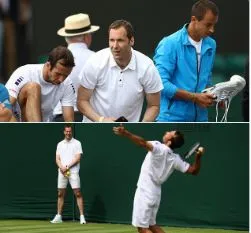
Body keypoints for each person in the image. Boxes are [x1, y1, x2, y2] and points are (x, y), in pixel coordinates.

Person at [113, 124, 204, 233]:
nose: (166, 131)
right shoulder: (176, 159)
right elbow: (194, 170)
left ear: (169, 142)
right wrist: (198, 157)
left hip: (145, 191)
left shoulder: (159, 147)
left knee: (142, 229)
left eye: (169, 133)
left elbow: (142, 143)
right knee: (152, 226)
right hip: (155, 193)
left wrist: (126, 133)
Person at [77, 19, 163, 122]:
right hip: (94, 130)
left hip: (127, 134)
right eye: (112, 40)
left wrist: (141, 127)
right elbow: (81, 101)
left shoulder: (147, 66)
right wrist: (101, 120)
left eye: (120, 40)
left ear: (131, 41)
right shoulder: (95, 61)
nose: (115, 46)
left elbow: (154, 105)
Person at [153, 0, 219, 122]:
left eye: (214, 25)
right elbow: (160, 84)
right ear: (194, 20)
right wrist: (195, 98)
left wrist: (215, 96)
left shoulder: (211, 44)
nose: (212, 30)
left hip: (201, 120)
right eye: (208, 25)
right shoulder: (169, 43)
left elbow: (206, 80)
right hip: (171, 120)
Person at [5, 46, 75, 122]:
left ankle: (37, 131)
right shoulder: (25, 72)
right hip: (16, 124)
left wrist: (69, 132)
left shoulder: (67, 83)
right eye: (58, 74)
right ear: (48, 65)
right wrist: (13, 128)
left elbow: (69, 120)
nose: (61, 79)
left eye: (65, 75)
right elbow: (5, 105)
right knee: (33, 87)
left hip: (44, 126)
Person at [53, 13, 100, 122]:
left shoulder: (54, 59)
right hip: (88, 119)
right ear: (87, 36)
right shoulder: (97, 58)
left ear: (66, 38)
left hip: (59, 118)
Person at [51, 124, 86, 224]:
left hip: (73, 172)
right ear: (64, 132)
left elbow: (78, 157)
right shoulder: (60, 144)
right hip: (62, 172)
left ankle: (82, 217)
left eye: (70, 131)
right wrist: (61, 167)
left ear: (72, 132)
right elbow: (57, 158)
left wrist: (67, 167)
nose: (68, 133)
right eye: (66, 131)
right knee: (60, 193)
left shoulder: (77, 143)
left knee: (78, 193)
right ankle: (58, 216)